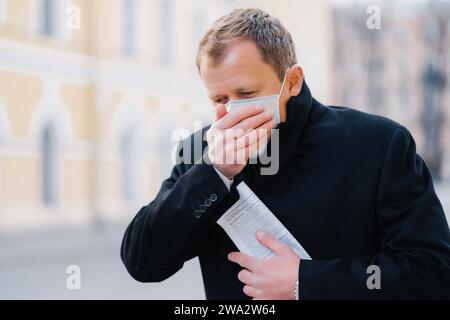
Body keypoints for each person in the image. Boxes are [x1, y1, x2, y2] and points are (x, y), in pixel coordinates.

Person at [121, 8, 450, 299]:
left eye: (246, 93)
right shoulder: (201, 151)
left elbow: (432, 271)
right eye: (219, 99)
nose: (232, 109)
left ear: (292, 81)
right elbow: (143, 262)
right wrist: (213, 173)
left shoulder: (378, 144)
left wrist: (305, 282)